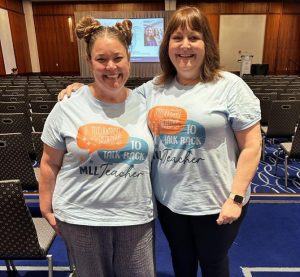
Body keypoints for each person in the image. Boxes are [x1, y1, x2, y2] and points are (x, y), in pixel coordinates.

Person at [58, 6, 261, 277]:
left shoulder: (230, 86)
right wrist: (82, 89)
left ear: (206, 44)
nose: (185, 45)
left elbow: (251, 146)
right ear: (167, 46)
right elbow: (114, 93)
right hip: (169, 201)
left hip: (217, 200)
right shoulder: (153, 88)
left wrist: (235, 198)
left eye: (194, 37)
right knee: (181, 260)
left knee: (213, 263)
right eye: (177, 38)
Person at [39, 16, 156, 277]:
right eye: (101, 59)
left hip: (135, 216)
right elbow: (49, 161)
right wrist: (46, 206)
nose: (110, 67)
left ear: (129, 59)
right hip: (81, 218)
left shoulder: (146, 104)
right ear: (90, 62)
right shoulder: (68, 106)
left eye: (117, 58)